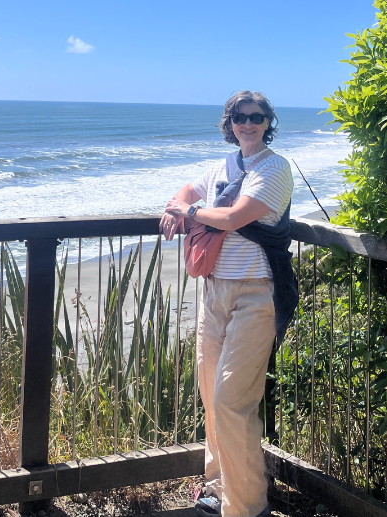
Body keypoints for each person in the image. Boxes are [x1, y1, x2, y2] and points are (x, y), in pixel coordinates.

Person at [161, 91, 296, 517]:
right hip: (215, 290)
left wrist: (190, 211)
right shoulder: (222, 165)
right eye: (240, 117)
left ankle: (246, 507)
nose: (248, 123)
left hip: (257, 292)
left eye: (256, 117)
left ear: (267, 121)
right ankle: (217, 489)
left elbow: (235, 217)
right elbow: (186, 189)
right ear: (230, 122)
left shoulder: (274, 168)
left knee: (231, 400)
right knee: (209, 393)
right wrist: (178, 204)